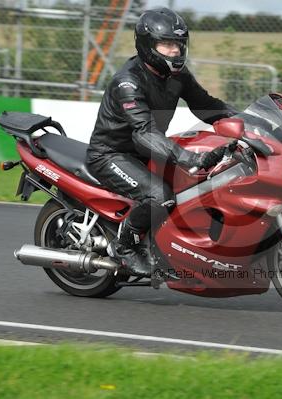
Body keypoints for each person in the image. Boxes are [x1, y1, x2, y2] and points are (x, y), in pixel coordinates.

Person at [86, 8, 237, 276]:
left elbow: (206, 106)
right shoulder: (128, 82)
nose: (175, 51)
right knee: (159, 196)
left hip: (146, 151)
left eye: (178, 44)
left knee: (199, 185)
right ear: (147, 45)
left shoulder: (176, 76)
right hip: (112, 154)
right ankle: (125, 247)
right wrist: (189, 159)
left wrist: (245, 122)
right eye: (166, 44)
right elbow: (143, 132)